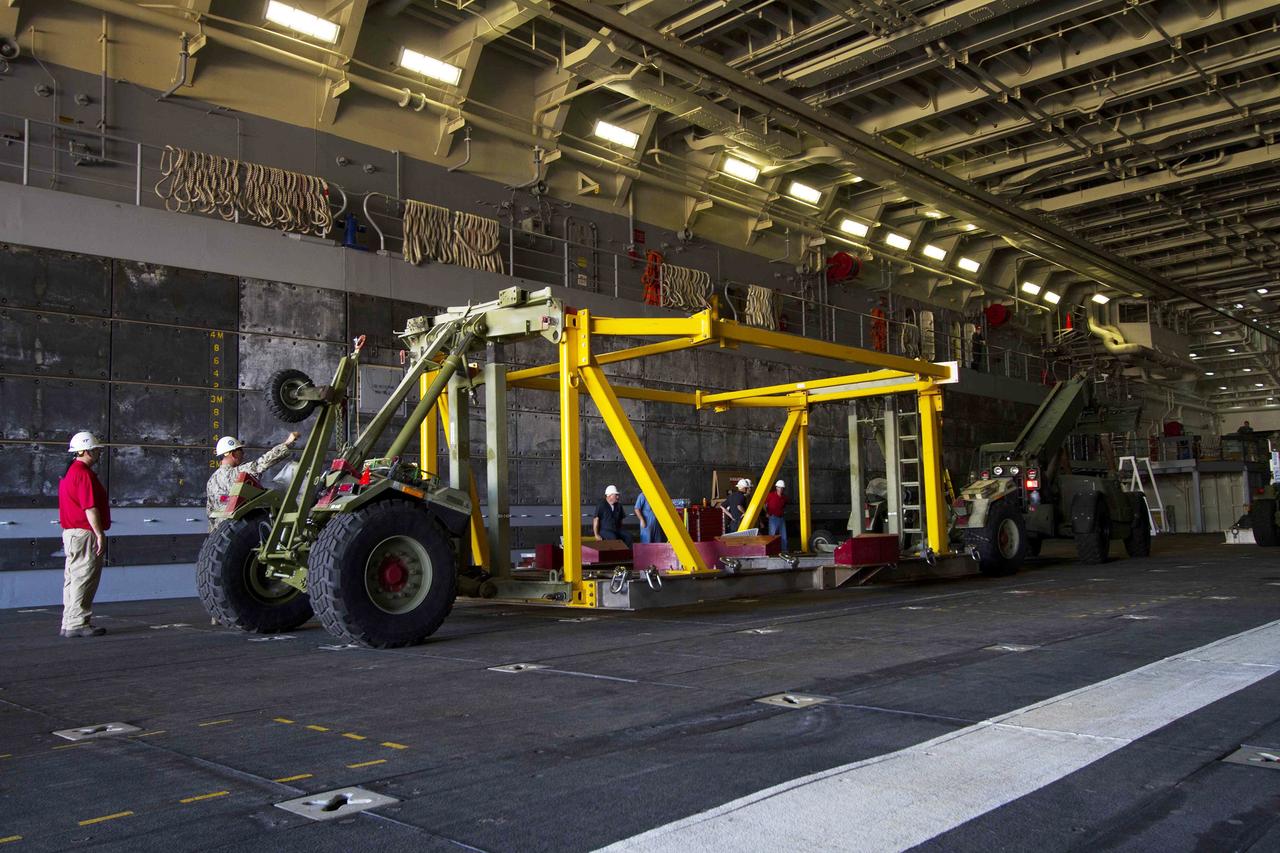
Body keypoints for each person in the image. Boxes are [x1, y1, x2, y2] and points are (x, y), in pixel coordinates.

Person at [58, 431, 111, 638]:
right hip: (84, 533)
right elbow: (90, 507)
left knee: (72, 578)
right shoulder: (83, 474)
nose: (98, 453)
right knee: (84, 577)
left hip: (71, 533)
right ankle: (79, 622)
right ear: (87, 451)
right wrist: (99, 533)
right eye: (96, 450)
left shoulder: (69, 472)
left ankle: (69, 621)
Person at [206, 433, 300, 530]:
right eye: (240, 450)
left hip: (220, 532)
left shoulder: (211, 481)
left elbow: (210, 512)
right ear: (233, 454)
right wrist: (288, 443)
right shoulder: (237, 472)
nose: (243, 454)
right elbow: (263, 462)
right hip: (238, 530)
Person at [765, 479, 788, 551]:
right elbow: (764, 504)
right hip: (773, 517)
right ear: (776, 487)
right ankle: (771, 550)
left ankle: (784, 551)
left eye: (782, 488)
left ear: (783, 488)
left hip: (781, 518)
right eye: (779, 487)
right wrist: (767, 512)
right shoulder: (770, 495)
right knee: (772, 535)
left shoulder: (784, 498)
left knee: (784, 536)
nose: (780, 489)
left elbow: (784, 506)